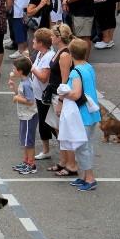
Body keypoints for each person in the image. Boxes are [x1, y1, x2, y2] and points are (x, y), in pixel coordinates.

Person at [58, 38, 101, 191]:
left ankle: (89, 178)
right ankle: (84, 176)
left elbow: (76, 94)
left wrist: (63, 93)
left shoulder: (75, 72)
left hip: (81, 115)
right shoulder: (88, 67)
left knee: (83, 147)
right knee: (86, 145)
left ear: (71, 54)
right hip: (91, 113)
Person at [45, 24, 78, 177]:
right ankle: (63, 160)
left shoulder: (65, 55)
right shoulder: (58, 51)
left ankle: (72, 164)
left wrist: (61, 101)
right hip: (54, 94)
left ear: (58, 37)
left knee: (64, 131)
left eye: (52, 35)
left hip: (60, 96)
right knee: (58, 130)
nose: (50, 38)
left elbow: (65, 81)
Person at [9, 56, 38, 175]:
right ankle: (26, 161)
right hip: (24, 115)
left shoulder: (26, 84)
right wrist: (14, 88)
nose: (12, 70)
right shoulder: (23, 82)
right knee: (24, 140)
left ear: (20, 71)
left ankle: (31, 164)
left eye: (14, 68)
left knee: (28, 141)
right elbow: (21, 94)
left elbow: (30, 101)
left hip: (29, 116)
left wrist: (16, 98)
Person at [30, 28, 55, 160]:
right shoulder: (40, 54)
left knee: (51, 124)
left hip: (46, 96)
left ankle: (67, 151)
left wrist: (31, 67)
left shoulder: (48, 56)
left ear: (41, 43)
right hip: (39, 95)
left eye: (35, 39)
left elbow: (44, 77)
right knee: (44, 123)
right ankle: (46, 150)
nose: (33, 41)